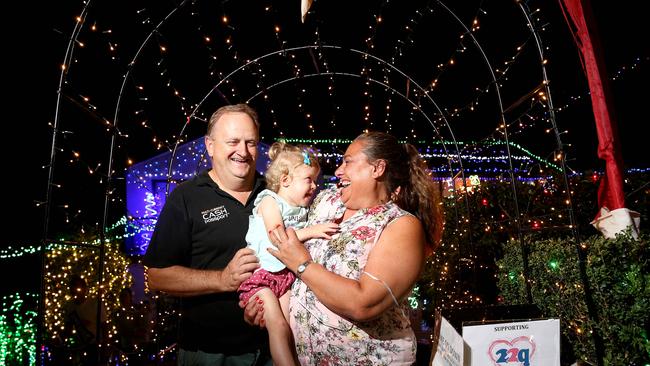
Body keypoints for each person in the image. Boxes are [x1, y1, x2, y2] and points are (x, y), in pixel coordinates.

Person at [244, 131, 443, 365]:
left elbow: (364, 303)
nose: (338, 170)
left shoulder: (400, 225)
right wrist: (263, 306)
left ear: (377, 168)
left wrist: (301, 263)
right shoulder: (326, 202)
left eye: (348, 161)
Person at [143, 103, 271, 365]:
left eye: (251, 142)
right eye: (233, 141)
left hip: (272, 349)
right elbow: (156, 276)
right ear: (210, 145)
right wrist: (222, 279)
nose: (243, 152)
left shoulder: (273, 193)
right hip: (210, 353)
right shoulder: (187, 197)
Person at [238, 142, 339, 366]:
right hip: (261, 277)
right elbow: (277, 235)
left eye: (315, 180)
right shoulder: (268, 201)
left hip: (285, 277)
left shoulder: (303, 210)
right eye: (308, 180)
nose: (314, 186)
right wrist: (313, 231)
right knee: (278, 326)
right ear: (285, 180)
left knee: (293, 327)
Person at [60, 274, 107, 366]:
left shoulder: (95, 304)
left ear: (84, 289)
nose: (75, 289)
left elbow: (104, 326)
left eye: (78, 286)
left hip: (94, 345)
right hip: (78, 346)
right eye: (73, 286)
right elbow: (68, 328)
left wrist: (104, 349)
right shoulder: (70, 306)